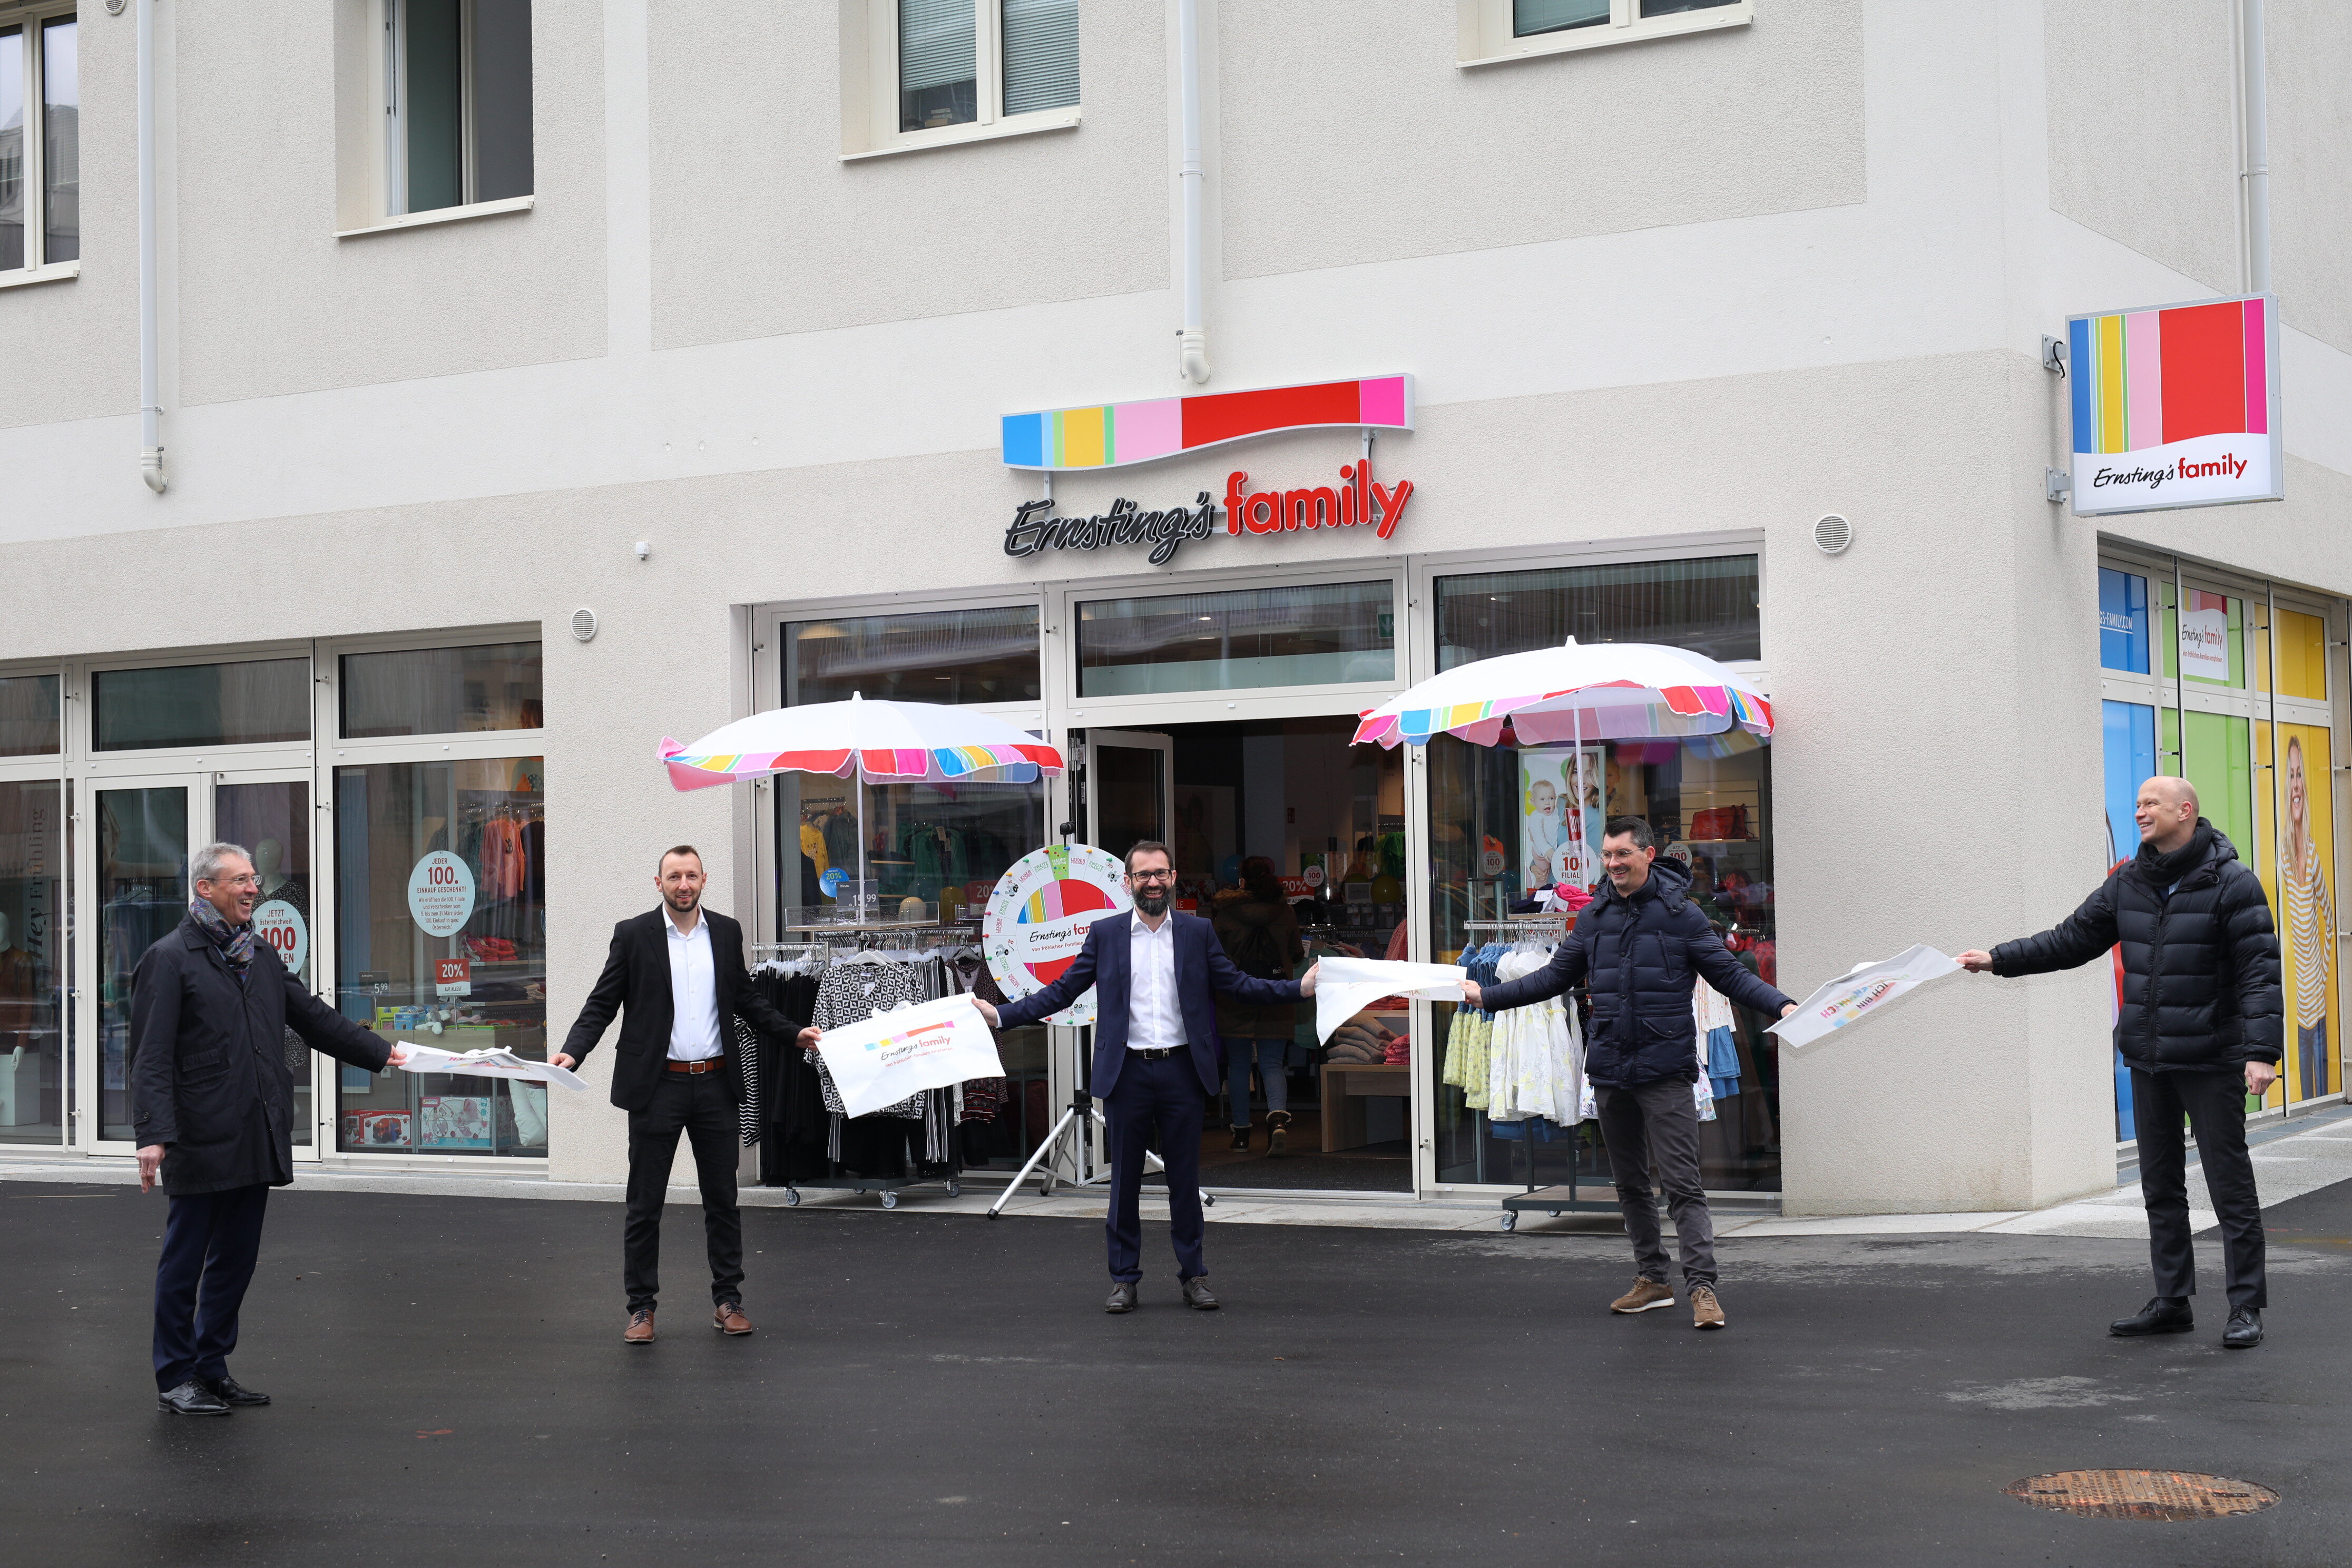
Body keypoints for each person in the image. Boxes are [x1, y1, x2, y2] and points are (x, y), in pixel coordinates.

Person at [1958, 776, 2281, 1349]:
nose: (2139, 813)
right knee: (2160, 1187)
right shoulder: (2128, 883)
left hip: (2211, 1058)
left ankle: (2246, 1306)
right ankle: (2172, 1300)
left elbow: (2259, 973)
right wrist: (1997, 959)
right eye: (2136, 805)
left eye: (2151, 804)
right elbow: (2071, 939)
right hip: (2150, 1058)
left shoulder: (2233, 884)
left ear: (2186, 811)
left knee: (2231, 1188)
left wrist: (2261, 1052)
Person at [1463, 817, 1796, 1331]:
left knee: (1684, 1185)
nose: (1615, 864)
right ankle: (1653, 1280)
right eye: (1608, 856)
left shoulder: (1682, 917)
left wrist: (1782, 1005)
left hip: (1666, 1070)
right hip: (1611, 1071)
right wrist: (1489, 996)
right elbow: (1553, 978)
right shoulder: (1594, 918)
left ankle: (1703, 1289)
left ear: (1647, 853)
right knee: (1630, 1184)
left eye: (1623, 854)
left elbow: (1729, 976)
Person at [973, 841, 1319, 1312]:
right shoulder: (1106, 934)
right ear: (1128, 882)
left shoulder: (1199, 933)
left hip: (1182, 1071)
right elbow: (1064, 990)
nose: (1153, 882)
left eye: (1161, 873)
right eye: (1143, 875)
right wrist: (1002, 1016)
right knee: (1124, 1185)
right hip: (1127, 1073)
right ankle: (1124, 1280)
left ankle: (1194, 1275)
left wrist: (1297, 988)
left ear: (1173, 878)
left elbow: (1237, 984)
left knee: (1183, 1180)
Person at [131, 842, 406, 1416]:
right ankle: (176, 1376)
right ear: (205, 888)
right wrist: (153, 1136)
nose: (255, 888)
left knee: (235, 1260)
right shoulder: (170, 957)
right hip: (201, 1135)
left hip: (256, 1128)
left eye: (255, 879)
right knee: (185, 1263)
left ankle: (212, 1366)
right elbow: (151, 1056)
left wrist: (385, 1053)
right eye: (240, 880)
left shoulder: (257, 952)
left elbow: (314, 1019)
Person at [553, 846, 817, 1345]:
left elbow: (747, 999)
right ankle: (641, 1309)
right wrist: (573, 1051)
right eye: (674, 876)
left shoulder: (726, 931)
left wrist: (793, 1032)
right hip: (658, 1087)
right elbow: (602, 1002)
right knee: (644, 1203)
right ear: (659, 883)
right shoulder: (634, 935)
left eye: (691, 875)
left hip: (716, 1085)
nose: (683, 884)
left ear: (703, 880)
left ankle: (728, 1301)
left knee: (723, 1200)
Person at [1211, 857, 1305, 1154]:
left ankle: (1241, 1134)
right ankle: (1277, 1120)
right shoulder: (1286, 911)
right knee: (1272, 1063)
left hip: (1236, 994)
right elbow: (1296, 953)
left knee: (1238, 1065)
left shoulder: (1225, 912)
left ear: (1242, 880)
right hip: (1276, 993)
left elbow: (1214, 954)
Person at [2281, 736, 2334, 1100]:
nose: (2297, 784)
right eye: (2292, 775)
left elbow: (2329, 920)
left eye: (2301, 775)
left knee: (2322, 1099)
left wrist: (2323, 974)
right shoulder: (2284, 856)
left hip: (2316, 997)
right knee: (2303, 1102)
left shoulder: (2312, 855)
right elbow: (2288, 923)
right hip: (2298, 1002)